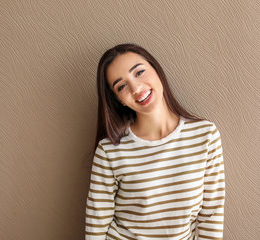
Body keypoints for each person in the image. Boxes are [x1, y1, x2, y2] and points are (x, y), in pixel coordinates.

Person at [85, 43, 225, 239]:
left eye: (139, 72)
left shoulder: (205, 136)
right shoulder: (109, 150)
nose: (136, 88)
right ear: (119, 100)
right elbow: (96, 224)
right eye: (122, 86)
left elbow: (211, 215)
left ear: (156, 69)